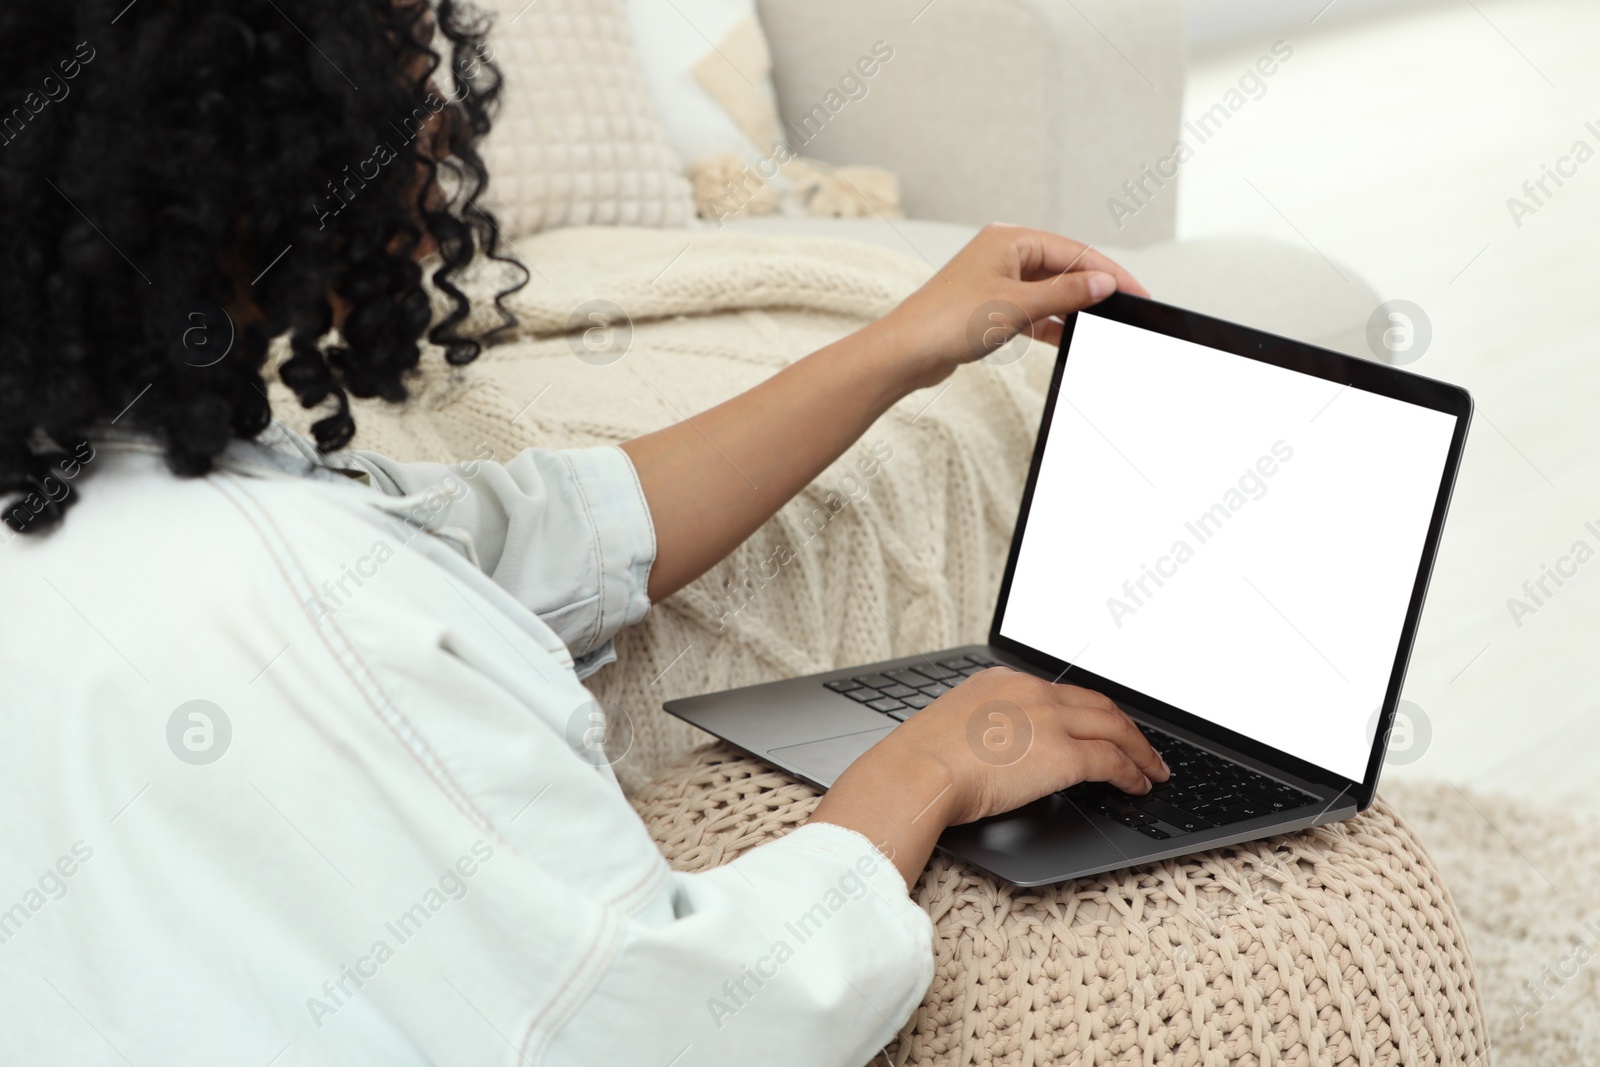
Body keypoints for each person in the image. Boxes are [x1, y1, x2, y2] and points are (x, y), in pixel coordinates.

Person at [0, 1, 1167, 1063]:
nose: (445, 121)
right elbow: (686, 1021)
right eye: (408, 71)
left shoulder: (91, 476)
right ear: (267, 152)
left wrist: (905, 341)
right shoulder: (335, 619)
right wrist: (927, 765)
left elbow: (550, 528)